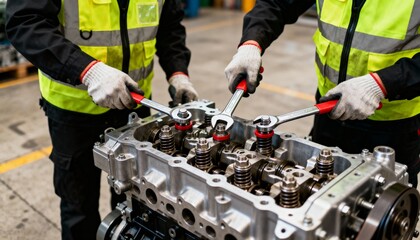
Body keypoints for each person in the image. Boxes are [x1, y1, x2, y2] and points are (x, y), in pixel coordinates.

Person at [5, 0, 198, 239]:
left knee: (136, 203)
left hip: (133, 112)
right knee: (79, 209)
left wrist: (178, 73)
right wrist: (87, 70)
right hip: (74, 112)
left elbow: (169, 26)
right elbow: (25, 22)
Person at [224, 0, 420, 187]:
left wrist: (383, 83)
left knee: (383, 207)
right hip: (328, 113)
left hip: (393, 128)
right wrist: (251, 43)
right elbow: (277, 3)